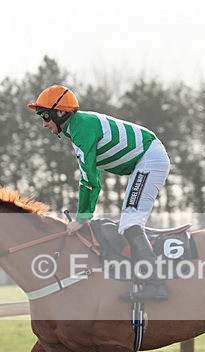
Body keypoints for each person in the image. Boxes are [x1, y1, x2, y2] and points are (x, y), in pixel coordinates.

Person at [28, 85, 170, 301]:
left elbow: (89, 179)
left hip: (150, 158)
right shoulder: (77, 127)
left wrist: (82, 218)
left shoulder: (81, 128)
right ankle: (140, 276)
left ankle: (155, 284)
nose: (44, 124)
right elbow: (92, 176)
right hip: (145, 158)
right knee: (127, 223)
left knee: (130, 223)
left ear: (60, 112)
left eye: (45, 116)